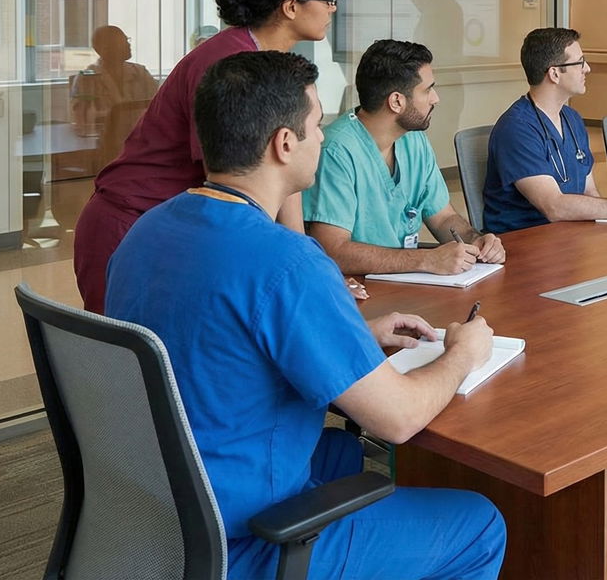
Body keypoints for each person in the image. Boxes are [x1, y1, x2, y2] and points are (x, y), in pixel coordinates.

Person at [106, 51, 505, 580]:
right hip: (242, 537)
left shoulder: (145, 232)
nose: (325, 135)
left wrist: (354, 334)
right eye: (317, 124)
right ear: (284, 143)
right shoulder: (289, 262)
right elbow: (399, 419)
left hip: (152, 507)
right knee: (480, 524)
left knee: (341, 454)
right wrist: (461, 354)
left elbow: (215, 338)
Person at [74, 0, 338, 314]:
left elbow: (283, 168)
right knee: (129, 364)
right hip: (132, 224)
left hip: (176, 225)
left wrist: (304, 257)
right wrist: (298, 262)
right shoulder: (228, 63)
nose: (332, 8)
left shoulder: (268, 59)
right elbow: (235, 178)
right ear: (291, 5)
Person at [305, 39, 505, 278]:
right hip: (358, 292)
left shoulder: (412, 139)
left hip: (405, 284)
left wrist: (477, 241)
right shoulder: (336, 151)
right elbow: (333, 251)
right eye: (428, 90)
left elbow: (444, 218)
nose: (436, 98)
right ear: (397, 101)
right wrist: (426, 259)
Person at [482, 28, 607, 234]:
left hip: (570, 234)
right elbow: (553, 206)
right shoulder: (517, 129)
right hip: (525, 241)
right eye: (580, 62)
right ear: (554, 73)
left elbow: (589, 192)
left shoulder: (572, 119)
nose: (588, 69)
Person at [70, 25, 158, 136]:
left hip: (142, 138)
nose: (128, 44)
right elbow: (82, 122)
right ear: (105, 48)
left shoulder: (140, 72)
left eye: (127, 40)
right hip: (105, 142)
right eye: (123, 41)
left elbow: (160, 105)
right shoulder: (86, 78)